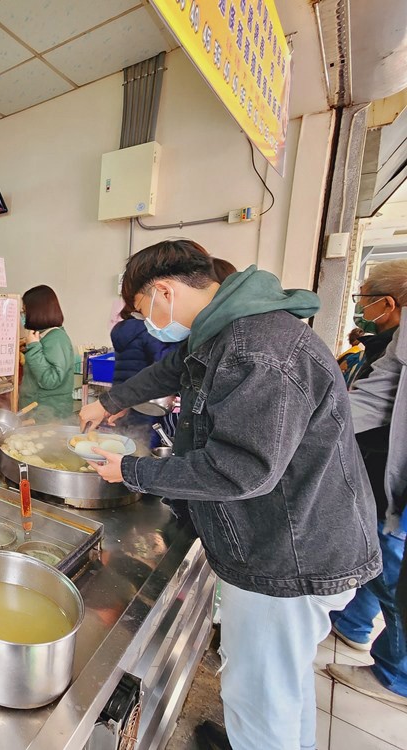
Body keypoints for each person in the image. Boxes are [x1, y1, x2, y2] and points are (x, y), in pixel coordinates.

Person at [78, 240, 380, 750]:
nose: (146, 322)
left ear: (164, 292)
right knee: (283, 686)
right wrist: (110, 401)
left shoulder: (256, 349)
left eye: (141, 309)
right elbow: (172, 369)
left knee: (259, 699)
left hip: (287, 554)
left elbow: (241, 471)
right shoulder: (229, 330)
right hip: (291, 538)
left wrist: (132, 470)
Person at [328, 304, 407, 705]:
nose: (361, 307)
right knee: (377, 550)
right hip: (384, 467)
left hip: (391, 469)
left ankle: (399, 677)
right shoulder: (393, 341)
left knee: (393, 569)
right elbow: (373, 399)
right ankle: (354, 625)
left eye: (367, 297)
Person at [109, 305, 178, 446]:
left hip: (125, 396)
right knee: (144, 444)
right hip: (147, 401)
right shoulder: (149, 332)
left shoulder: (123, 329)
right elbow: (167, 365)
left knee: (127, 441)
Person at [18, 285, 76, 421]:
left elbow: (51, 380)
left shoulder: (57, 338)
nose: (23, 316)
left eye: (25, 311)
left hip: (48, 415)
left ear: (37, 311)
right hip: (36, 412)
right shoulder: (43, 336)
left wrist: (33, 347)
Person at [346, 260, 406, 385]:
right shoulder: (383, 349)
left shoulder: (389, 360)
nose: (360, 304)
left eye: (362, 296)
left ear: (387, 305)